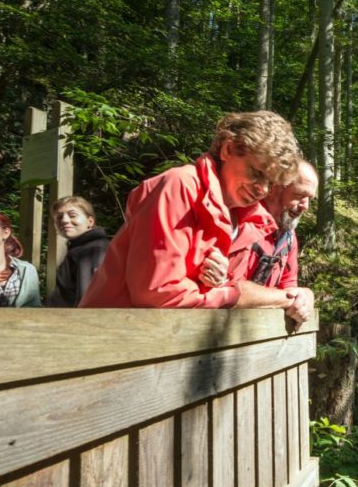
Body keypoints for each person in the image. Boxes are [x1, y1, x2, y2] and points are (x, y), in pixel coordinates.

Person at [79, 111, 312, 326]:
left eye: (270, 182)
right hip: (109, 339)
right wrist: (230, 292)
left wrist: (224, 285)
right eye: (257, 173)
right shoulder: (180, 187)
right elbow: (158, 293)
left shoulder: (251, 221)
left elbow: (217, 291)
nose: (262, 189)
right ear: (228, 150)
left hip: (170, 348)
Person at [200, 159, 318, 323]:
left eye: (309, 198)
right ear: (274, 188)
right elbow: (230, 290)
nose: (305, 206)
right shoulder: (238, 221)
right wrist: (286, 299)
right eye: (299, 195)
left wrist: (306, 295)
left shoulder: (288, 237)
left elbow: (290, 289)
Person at [46, 196, 111, 307]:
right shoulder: (79, 247)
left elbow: (87, 298)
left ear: (90, 221)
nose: (64, 220)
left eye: (72, 215)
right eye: (59, 217)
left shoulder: (93, 250)